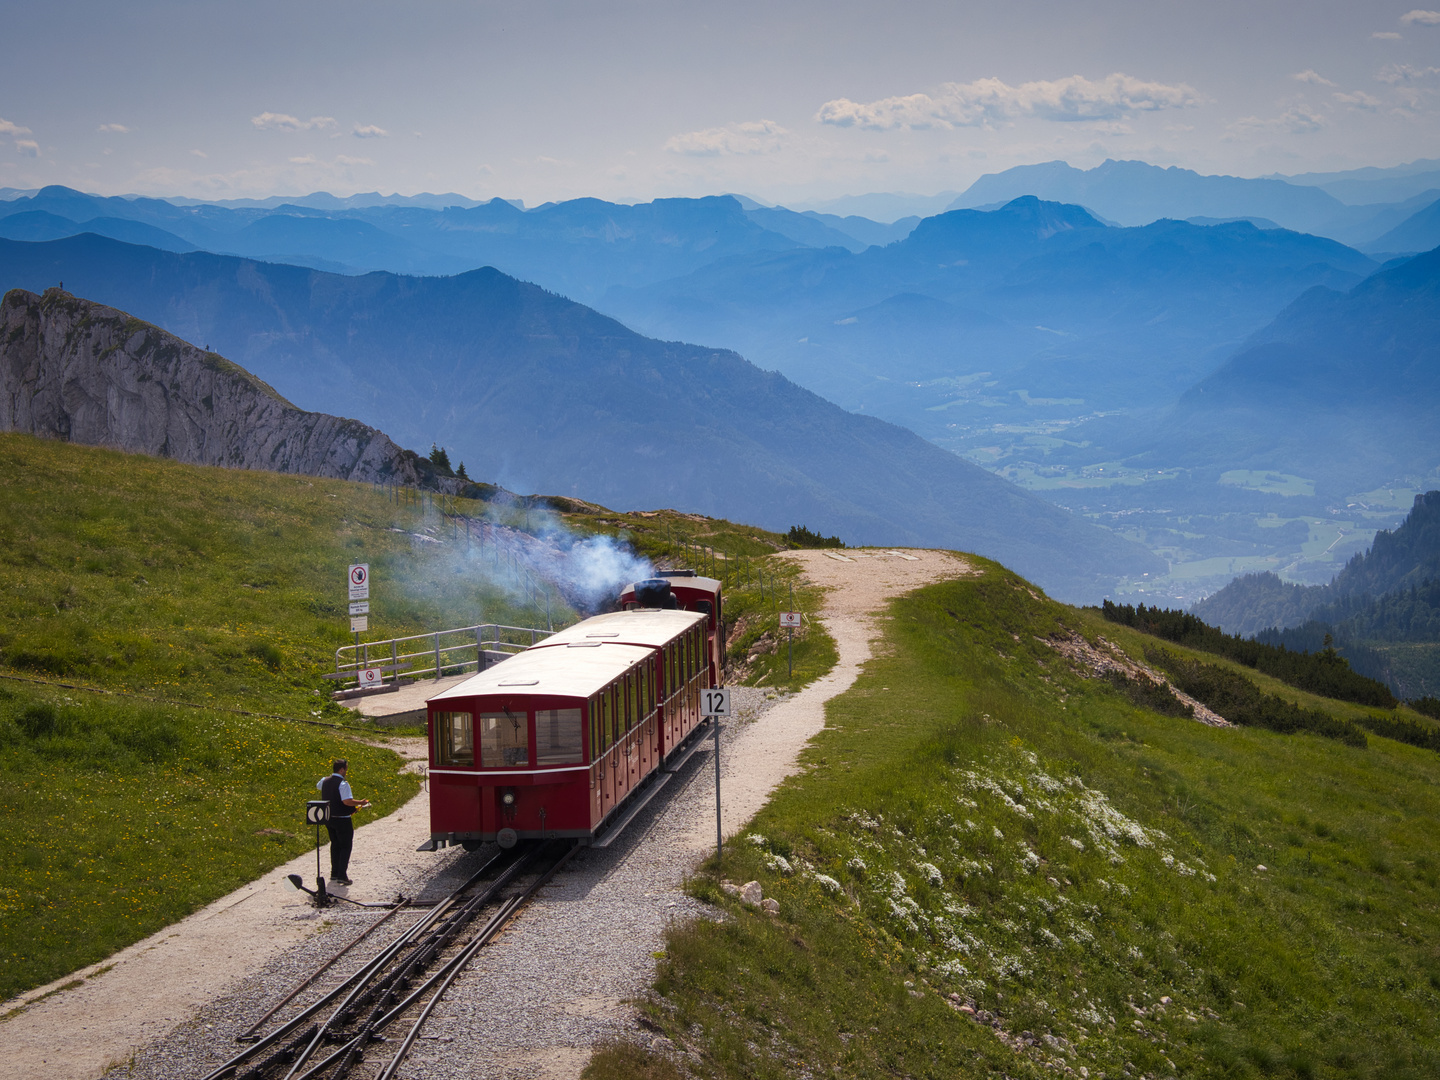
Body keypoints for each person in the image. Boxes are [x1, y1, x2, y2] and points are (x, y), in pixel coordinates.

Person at [316, 758, 371, 885]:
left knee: (334, 844)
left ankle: (334, 873)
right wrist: (361, 802)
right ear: (341, 769)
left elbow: (318, 786)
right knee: (345, 846)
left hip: (328, 818)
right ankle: (342, 875)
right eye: (346, 769)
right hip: (342, 819)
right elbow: (347, 801)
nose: (346, 771)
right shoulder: (343, 784)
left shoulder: (324, 781)